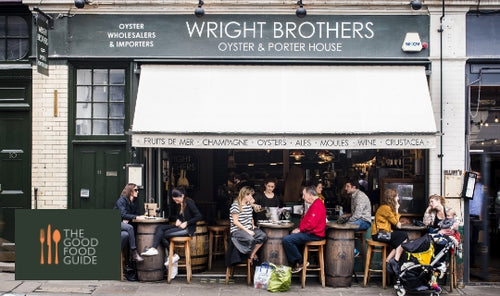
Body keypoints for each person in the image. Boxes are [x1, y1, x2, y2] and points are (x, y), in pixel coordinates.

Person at [141, 187, 202, 266]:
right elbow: (178, 216)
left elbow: (199, 216)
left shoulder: (189, 203)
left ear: (182, 196)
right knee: (159, 228)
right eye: (174, 200)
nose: (176, 202)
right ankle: (154, 249)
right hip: (180, 227)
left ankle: (173, 255)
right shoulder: (179, 205)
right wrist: (177, 220)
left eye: (177, 200)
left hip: (188, 229)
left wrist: (187, 223)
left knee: (163, 234)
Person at [282, 185, 326, 273]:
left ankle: (300, 262)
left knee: (287, 240)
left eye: (304, 195)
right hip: (311, 232)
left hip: (314, 234)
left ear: (310, 195)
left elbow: (311, 224)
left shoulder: (317, 205)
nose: (303, 197)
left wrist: (300, 229)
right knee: (291, 234)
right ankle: (296, 262)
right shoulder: (315, 203)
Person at [372, 189, 408, 274]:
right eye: (397, 196)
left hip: (383, 234)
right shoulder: (386, 208)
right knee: (403, 236)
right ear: (392, 198)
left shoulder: (386, 208)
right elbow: (398, 225)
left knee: (402, 241)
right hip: (379, 234)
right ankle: (394, 261)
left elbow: (395, 222)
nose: (398, 198)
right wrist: (396, 210)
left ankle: (388, 261)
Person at [229, 186, 267, 262]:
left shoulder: (248, 204)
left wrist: (253, 225)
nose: (251, 197)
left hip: (249, 228)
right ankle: (244, 256)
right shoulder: (236, 206)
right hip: (237, 230)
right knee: (251, 239)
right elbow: (235, 222)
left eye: (252, 195)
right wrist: (247, 231)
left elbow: (250, 217)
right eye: (249, 195)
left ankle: (252, 255)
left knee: (263, 236)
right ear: (244, 195)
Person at [113, 183, 145, 262]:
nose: (138, 192)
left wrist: (130, 217)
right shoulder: (122, 200)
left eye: (137, 190)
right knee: (130, 227)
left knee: (126, 234)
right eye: (136, 190)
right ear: (130, 191)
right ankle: (134, 253)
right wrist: (134, 217)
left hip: (124, 225)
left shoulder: (134, 201)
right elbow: (123, 214)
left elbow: (136, 213)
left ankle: (127, 261)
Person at [469, 171, 484, 267]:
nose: (478, 177)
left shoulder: (481, 187)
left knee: (474, 241)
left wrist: (481, 215)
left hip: (476, 217)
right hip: (468, 216)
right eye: (476, 175)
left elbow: (482, 202)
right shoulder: (468, 185)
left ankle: (472, 262)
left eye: (479, 175)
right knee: (467, 240)